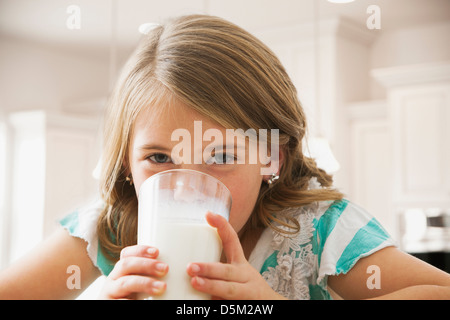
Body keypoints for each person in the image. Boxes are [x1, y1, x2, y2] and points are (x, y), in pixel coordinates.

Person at [1, 14, 449, 300]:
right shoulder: (116, 223)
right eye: (158, 158)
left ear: (271, 158)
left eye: (220, 156)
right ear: (124, 162)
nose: (186, 186)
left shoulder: (318, 229)